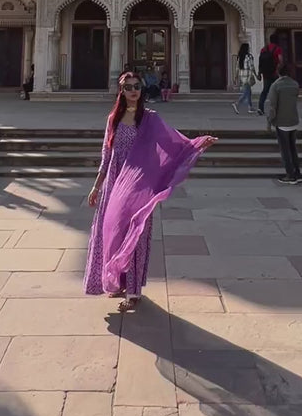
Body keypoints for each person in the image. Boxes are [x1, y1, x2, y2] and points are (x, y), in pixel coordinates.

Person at [84, 72, 217, 311]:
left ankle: (133, 292)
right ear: (121, 91)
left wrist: (198, 144)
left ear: (142, 90)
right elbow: (107, 156)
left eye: (137, 86)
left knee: (135, 236)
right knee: (111, 235)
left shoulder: (150, 119)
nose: (133, 90)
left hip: (137, 189)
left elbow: (174, 145)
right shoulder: (113, 119)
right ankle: (118, 283)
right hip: (114, 186)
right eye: (128, 87)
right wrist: (96, 186)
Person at [266, 63, 302, 184]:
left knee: (285, 150)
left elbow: (273, 106)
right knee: (293, 148)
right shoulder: (295, 84)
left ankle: (290, 175)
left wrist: (269, 121)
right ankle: (297, 173)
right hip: (293, 120)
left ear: (278, 72)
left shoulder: (276, 86)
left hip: (282, 122)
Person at [257, 33, 283, 114]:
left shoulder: (264, 49)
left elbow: (260, 61)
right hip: (274, 73)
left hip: (265, 73)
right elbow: (280, 61)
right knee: (278, 91)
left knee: (265, 91)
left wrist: (259, 73)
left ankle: (260, 108)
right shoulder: (277, 49)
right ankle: (277, 109)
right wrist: (278, 71)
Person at [231, 42, 256, 114]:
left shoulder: (240, 57)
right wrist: (256, 75)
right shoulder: (249, 56)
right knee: (245, 93)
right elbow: (252, 67)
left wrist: (235, 77)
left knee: (248, 92)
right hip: (248, 76)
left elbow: (237, 68)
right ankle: (237, 103)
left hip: (242, 77)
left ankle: (250, 107)